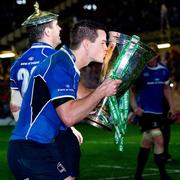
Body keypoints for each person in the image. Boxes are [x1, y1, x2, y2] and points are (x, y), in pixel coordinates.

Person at [7, 19, 121, 179]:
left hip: (33, 148)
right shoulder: (60, 64)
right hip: (31, 149)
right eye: (103, 43)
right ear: (87, 44)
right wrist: (101, 92)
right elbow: (69, 117)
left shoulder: (67, 64)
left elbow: (89, 102)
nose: (105, 48)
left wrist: (113, 50)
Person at [9, 2, 83, 179]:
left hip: (25, 139)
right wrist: (71, 128)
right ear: (47, 31)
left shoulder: (17, 63)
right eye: (56, 25)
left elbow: (15, 106)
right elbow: (64, 102)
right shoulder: (56, 60)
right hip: (53, 136)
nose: (59, 29)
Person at [130, 42, 175, 180]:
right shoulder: (140, 71)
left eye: (151, 54)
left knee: (147, 141)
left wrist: (172, 106)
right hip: (145, 112)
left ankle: (138, 175)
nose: (149, 57)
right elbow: (131, 90)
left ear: (156, 55)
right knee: (158, 138)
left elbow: (166, 89)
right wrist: (135, 107)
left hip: (159, 112)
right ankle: (163, 174)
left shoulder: (164, 70)